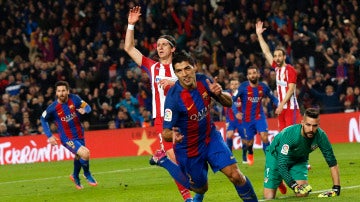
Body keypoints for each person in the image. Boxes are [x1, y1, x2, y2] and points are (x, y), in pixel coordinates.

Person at [152, 52, 258, 202]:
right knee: (201, 188)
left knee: (236, 175)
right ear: (175, 73)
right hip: (189, 148)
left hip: (210, 138)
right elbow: (165, 132)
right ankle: (164, 161)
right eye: (179, 71)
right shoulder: (173, 99)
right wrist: (173, 136)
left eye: (187, 68)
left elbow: (229, 103)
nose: (184, 74)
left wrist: (220, 94)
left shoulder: (204, 82)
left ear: (194, 67)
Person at [124, 6, 192, 201]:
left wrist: (174, 82)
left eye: (164, 44)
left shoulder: (182, 67)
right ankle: (187, 197)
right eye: (158, 44)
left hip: (185, 117)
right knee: (173, 159)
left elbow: (194, 85)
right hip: (163, 119)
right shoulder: (151, 67)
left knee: (189, 160)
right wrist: (130, 25)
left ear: (173, 48)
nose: (159, 47)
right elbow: (129, 48)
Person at [256, 21, 301, 194]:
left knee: (291, 138)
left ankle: (301, 161)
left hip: (289, 108)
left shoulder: (290, 70)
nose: (275, 57)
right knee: (283, 139)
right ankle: (282, 172)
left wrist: (281, 104)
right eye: (275, 56)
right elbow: (265, 51)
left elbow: (291, 89)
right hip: (281, 109)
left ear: (284, 56)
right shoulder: (276, 68)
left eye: (279, 55)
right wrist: (259, 35)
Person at [263, 107, 341, 199]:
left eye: (315, 126)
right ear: (302, 123)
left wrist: (336, 188)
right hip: (276, 157)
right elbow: (281, 164)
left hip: (299, 158)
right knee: (269, 197)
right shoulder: (290, 135)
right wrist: (294, 185)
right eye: (308, 125)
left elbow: (332, 163)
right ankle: (279, 180)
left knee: (302, 193)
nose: (311, 129)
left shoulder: (321, 136)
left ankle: (283, 178)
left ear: (319, 125)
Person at [40, 81, 97, 189]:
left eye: (63, 90)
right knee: (86, 153)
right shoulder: (52, 108)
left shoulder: (74, 98)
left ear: (68, 91)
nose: (61, 93)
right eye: (59, 91)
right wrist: (49, 136)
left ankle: (75, 175)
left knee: (79, 155)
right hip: (67, 138)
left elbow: (88, 107)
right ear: (56, 93)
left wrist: (85, 110)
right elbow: (42, 119)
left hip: (79, 133)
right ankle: (87, 173)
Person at [232, 66, 278, 166]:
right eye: (250, 74)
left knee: (264, 137)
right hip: (247, 119)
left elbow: (273, 98)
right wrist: (236, 112)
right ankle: (251, 152)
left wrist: (280, 105)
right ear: (248, 76)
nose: (253, 75)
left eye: (254, 73)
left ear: (258, 74)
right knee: (249, 143)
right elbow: (232, 100)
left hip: (259, 117)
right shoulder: (242, 87)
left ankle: (270, 160)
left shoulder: (263, 87)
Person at [223, 79, 244, 154]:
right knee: (229, 135)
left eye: (236, 84)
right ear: (230, 86)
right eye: (232, 84)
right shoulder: (227, 94)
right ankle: (229, 154)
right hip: (230, 119)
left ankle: (245, 156)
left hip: (241, 120)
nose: (234, 86)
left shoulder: (243, 94)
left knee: (245, 139)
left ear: (239, 85)